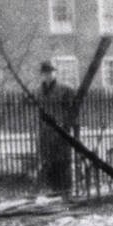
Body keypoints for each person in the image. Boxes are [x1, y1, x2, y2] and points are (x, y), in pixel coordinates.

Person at [37, 61, 76, 193]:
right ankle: (53, 188)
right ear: (42, 74)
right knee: (48, 159)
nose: (48, 75)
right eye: (45, 73)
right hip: (45, 129)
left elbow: (71, 109)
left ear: (55, 73)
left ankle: (66, 188)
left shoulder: (65, 89)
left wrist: (66, 124)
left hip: (60, 128)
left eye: (51, 72)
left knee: (62, 159)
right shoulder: (38, 90)